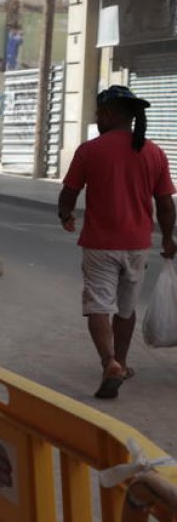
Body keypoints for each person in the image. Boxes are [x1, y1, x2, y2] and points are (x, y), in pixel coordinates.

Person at [58, 85, 176, 400]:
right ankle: (121, 362)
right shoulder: (154, 152)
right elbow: (166, 204)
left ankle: (108, 362)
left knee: (98, 305)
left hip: (100, 244)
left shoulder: (90, 150)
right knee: (126, 308)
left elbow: (69, 192)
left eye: (99, 114)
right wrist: (167, 238)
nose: (97, 119)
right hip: (137, 245)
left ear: (110, 114)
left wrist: (65, 214)